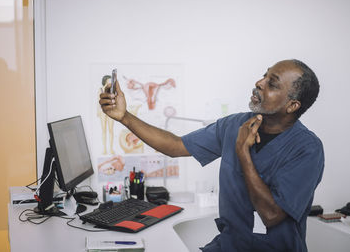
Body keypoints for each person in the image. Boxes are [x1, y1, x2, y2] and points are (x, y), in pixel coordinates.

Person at [99, 59, 324, 252]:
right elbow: (175, 145)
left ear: (292, 105)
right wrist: (124, 117)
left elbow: (271, 215)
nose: (259, 83)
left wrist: (242, 152)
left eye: (271, 83)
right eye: (264, 76)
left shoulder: (307, 149)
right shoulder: (235, 124)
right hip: (229, 245)